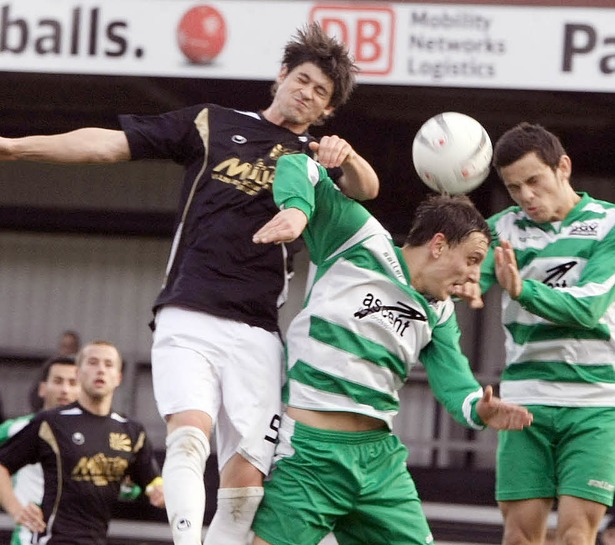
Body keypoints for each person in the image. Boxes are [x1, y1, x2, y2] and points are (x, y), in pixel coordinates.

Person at [0, 23, 378, 545]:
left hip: (259, 331)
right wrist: (16, 148)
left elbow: (367, 188)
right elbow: (110, 145)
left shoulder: (313, 160)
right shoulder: (211, 123)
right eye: (303, 79)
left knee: (246, 486)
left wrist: (348, 158)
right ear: (282, 75)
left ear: (327, 111)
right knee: (187, 441)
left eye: (321, 93)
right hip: (189, 312)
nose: (307, 94)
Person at [249, 153, 533, 545]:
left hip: (380, 461)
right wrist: (298, 211)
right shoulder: (359, 239)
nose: (473, 276)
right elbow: (300, 165)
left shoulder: (440, 312)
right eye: (471, 260)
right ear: (437, 245)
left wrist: (481, 409)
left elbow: (458, 385)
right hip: (310, 455)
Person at [478, 122, 615, 545]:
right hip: (525, 399)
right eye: (514, 188)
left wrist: (521, 289)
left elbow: (589, 307)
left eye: (534, 181)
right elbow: (456, 282)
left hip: (595, 402)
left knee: (574, 536)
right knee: (518, 538)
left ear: (562, 167)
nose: (526, 196)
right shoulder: (498, 230)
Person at [0, 340, 164, 545]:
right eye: (93, 362)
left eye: (108, 364)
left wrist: (161, 493)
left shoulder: (131, 431)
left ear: (118, 377)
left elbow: (151, 482)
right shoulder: (50, 422)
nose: (101, 370)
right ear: (79, 373)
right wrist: (17, 510)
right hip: (52, 539)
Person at [0, 355, 80, 545]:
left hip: (77, 535)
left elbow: (128, 489)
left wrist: (128, 488)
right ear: (42, 388)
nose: (65, 389)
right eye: (58, 381)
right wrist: (15, 509)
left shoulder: (97, 436)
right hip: (29, 536)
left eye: (72, 382)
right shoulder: (16, 429)